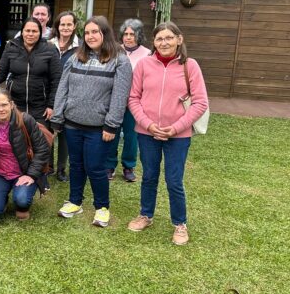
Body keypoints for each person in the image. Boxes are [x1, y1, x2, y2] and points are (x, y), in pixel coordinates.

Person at [127, 21, 208, 246]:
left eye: (169, 38)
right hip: (147, 132)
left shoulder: (190, 66)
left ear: (179, 39)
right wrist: (148, 124)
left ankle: (179, 223)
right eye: (159, 38)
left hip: (178, 136)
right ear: (153, 42)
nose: (164, 42)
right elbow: (133, 98)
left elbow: (200, 103)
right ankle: (146, 215)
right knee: (149, 176)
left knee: (174, 180)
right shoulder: (144, 65)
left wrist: (176, 127)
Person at [50, 16, 132, 228]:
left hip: (99, 128)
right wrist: (58, 117)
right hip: (72, 124)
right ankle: (75, 202)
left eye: (95, 31)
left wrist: (111, 124)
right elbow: (63, 88)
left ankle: (102, 207)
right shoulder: (76, 57)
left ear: (105, 33)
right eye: (87, 33)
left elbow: (120, 95)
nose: (91, 36)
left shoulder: (120, 60)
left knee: (95, 167)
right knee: (76, 165)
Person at [0, 89, 50, 220]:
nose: (1, 109)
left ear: (11, 104)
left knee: (22, 200)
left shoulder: (26, 120)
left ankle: (22, 205)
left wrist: (31, 175)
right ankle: (3, 198)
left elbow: (42, 149)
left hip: (23, 172)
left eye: (4, 105)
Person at [0, 17, 60, 127]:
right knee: (16, 141)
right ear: (22, 32)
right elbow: (0, 73)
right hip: (15, 105)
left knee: (40, 141)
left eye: (34, 31)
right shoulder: (11, 47)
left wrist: (51, 105)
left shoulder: (49, 49)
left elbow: (56, 79)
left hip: (40, 108)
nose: (30, 34)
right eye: (27, 31)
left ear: (40, 33)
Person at [109, 18, 152, 182]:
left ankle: (128, 166)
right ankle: (109, 165)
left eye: (132, 34)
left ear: (139, 35)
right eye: (125, 34)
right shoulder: (114, 50)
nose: (128, 37)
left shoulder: (147, 54)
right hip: (114, 100)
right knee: (111, 133)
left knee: (131, 135)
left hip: (135, 102)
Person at [47, 11, 79, 182]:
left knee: (65, 134)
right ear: (57, 26)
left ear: (74, 26)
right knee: (50, 128)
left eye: (69, 24)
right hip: (51, 94)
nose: (65, 27)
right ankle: (49, 166)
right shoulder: (48, 45)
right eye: (62, 24)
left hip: (70, 96)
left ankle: (61, 169)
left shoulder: (80, 48)